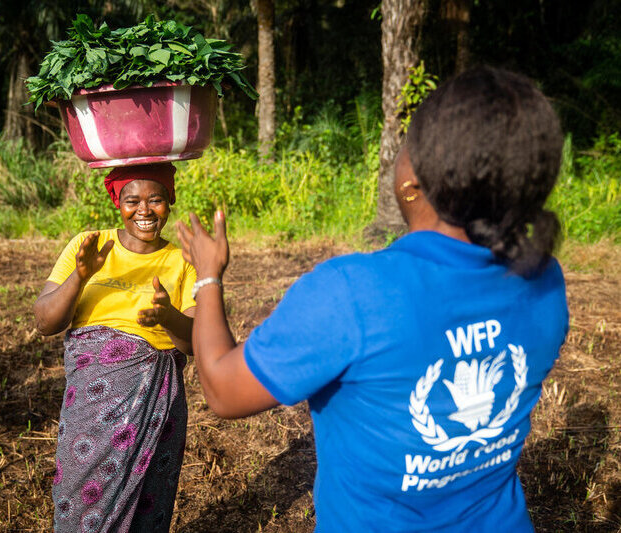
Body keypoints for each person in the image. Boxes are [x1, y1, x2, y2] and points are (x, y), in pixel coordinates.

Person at [175, 67, 569, 532]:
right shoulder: (544, 282)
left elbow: (222, 388)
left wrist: (206, 278)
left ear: (413, 180)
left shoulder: (353, 293)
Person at [33, 163, 196, 532]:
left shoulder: (181, 261)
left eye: (155, 199)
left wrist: (168, 316)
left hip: (157, 399)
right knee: (80, 493)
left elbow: (192, 344)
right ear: (116, 202)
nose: (144, 210)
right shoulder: (87, 244)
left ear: (169, 200)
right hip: (91, 402)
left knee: (148, 501)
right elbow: (44, 322)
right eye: (132, 200)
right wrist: (81, 275)